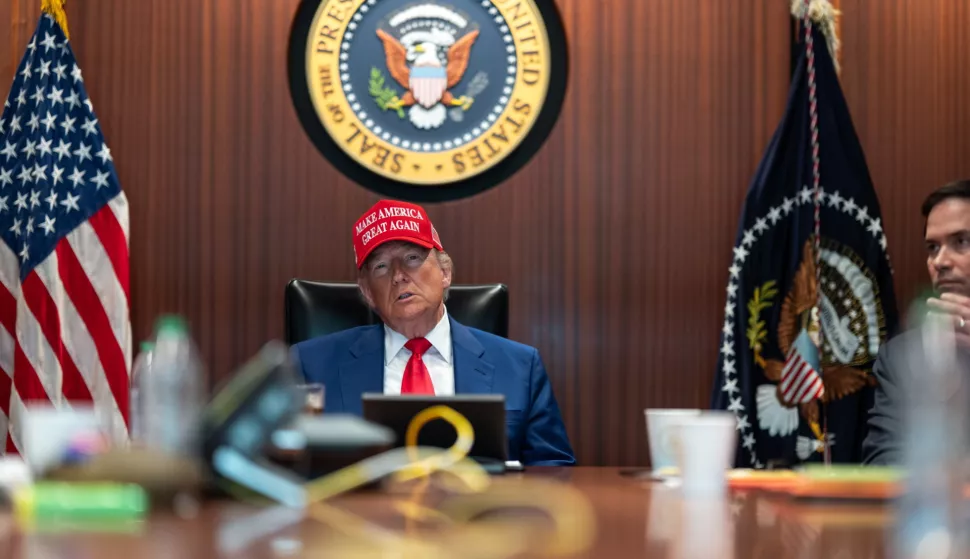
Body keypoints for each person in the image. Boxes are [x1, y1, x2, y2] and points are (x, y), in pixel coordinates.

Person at [290, 199, 575, 466]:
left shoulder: (521, 367)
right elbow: (286, 468)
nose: (399, 275)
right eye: (381, 266)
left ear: (445, 273)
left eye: (413, 257)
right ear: (367, 293)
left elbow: (555, 472)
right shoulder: (311, 365)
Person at [862, 179, 970, 465]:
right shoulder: (900, 357)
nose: (940, 262)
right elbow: (881, 462)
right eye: (933, 248)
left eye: (961, 241)